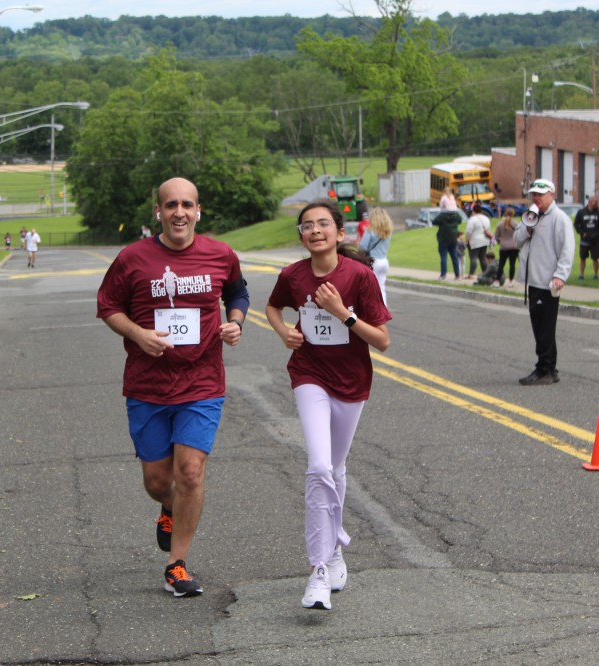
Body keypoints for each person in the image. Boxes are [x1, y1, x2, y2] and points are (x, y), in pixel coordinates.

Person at [96, 177, 249, 598]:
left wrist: (235, 322)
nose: (179, 212)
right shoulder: (132, 258)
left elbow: (237, 292)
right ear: (158, 212)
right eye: (170, 205)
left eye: (186, 204)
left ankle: (176, 565)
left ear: (198, 211)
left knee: (190, 473)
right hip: (147, 386)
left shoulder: (221, 254)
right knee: (158, 481)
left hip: (202, 382)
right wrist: (137, 333)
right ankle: (168, 506)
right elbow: (108, 306)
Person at [266, 200, 390, 611]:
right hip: (309, 374)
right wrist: (283, 331)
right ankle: (318, 569)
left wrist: (342, 313)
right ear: (301, 236)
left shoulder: (359, 276)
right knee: (319, 467)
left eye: (323, 224)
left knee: (335, 469)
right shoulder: (292, 275)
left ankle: (335, 550)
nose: (315, 230)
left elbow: (382, 340)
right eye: (307, 225)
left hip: (352, 383)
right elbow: (272, 306)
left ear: (340, 233)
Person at [513, 179, 575, 386]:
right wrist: (527, 227)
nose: (536, 198)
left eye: (540, 194)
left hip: (548, 282)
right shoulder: (532, 216)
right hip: (534, 281)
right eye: (534, 194)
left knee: (545, 329)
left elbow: (567, 249)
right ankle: (549, 368)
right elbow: (517, 240)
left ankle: (544, 368)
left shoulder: (559, 219)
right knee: (539, 327)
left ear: (551, 194)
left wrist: (560, 275)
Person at [357, 206, 393, 305]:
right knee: (381, 288)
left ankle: (373, 310)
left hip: (373, 261)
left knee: (371, 289)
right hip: (384, 261)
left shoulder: (370, 231)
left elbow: (363, 247)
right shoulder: (388, 231)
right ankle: (384, 309)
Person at [573, 196, 599, 280]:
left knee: (595, 258)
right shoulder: (581, 212)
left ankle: (596, 275)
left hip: (595, 241)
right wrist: (581, 232)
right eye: (595, 202)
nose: (597, 204)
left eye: (597, 202)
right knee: (582, 258)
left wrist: (596, 234)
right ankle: (581, 275)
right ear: (590, 202)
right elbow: (576, 224)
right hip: (584, 240)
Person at [433, 205, 461, 281]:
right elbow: (460, 221)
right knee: (454, 257)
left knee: (443, 257)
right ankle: (457, 275)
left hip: (443, 238)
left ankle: (443, 275)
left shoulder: (442, 216)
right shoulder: (456, 215)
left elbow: (434, 222)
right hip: (453, 238)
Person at [494, 207, 520, 287]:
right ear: (513, 214)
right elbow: (520, 235)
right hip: (514, 246)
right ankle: (510, 282)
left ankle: (497, 281)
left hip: (504, 246)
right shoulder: (516, 224)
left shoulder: (500, 224)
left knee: (501, 264)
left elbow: (496, 236)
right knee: (512, 264)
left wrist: (501, 242)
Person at [464, 204, 492, 278]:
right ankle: (486, 274)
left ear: (473, 211)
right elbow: (488, 229)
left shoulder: (472, 219)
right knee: (483, 258)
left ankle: (471, 274)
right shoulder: (486, 218)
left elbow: (469, 231)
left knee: (473, 258)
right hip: (484, 241)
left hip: (474, 241)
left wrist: (467, 240)